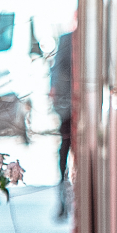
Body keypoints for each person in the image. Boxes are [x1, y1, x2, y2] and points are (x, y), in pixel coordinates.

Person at [47, 27, 76, 221]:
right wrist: (65, 107)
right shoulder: (68, 41)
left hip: (78, 108)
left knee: (66, 152)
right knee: (64, 152)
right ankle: (63, 199)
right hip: (70, 110)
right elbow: (58, 75)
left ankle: (65, 199)